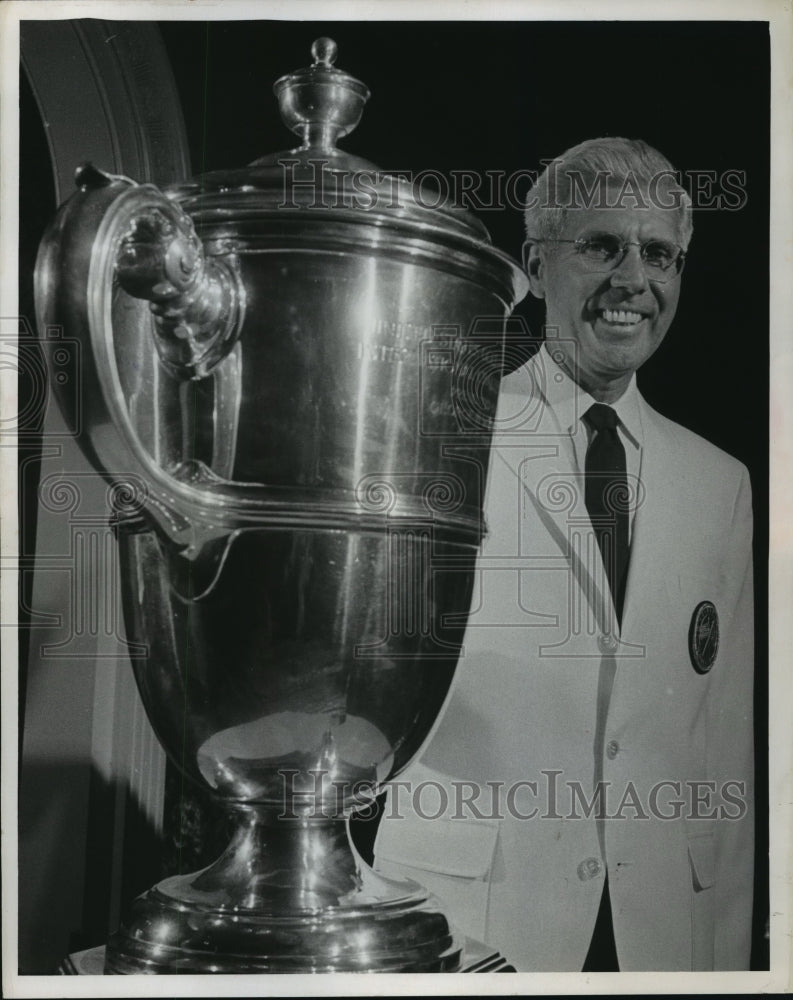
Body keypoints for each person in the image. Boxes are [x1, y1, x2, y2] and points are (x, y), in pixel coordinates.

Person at [371, 137, 755, 971]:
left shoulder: (718, 483)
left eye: (659, 254)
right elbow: (361, 717)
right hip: (470, 922)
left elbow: (720, 755)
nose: (633, 280)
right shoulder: (441, 444)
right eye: (600, 245)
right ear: (534, 267)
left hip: (654, 936)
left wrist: (722, 967)